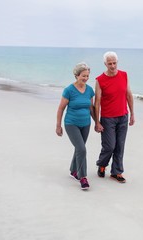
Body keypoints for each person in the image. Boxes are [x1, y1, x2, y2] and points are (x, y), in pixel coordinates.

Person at [94, 51, 135, 183]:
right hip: (107, 118)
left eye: (114, 63)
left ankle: (116, 172)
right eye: (109, 63)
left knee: (120, 146)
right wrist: (97, 122)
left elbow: (128, 94)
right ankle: (102, 164)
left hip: (123, 116)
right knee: (110, 146)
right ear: (105, 64)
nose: (112, 66)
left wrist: (132, 113)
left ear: (117, 62)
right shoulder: (100, 80)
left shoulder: (124, 75)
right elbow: (97, 102)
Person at [56, 62, 95, 190]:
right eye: (83, 76)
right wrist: (58, 125)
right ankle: (82, 177)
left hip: (86, 124)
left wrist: (97, 122)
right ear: (77, 75)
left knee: (80, 148)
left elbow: (91, 108)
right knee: (82, 149)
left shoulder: (89, 90)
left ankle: (73, 170)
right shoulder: (69, 90)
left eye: (87, 76)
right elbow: (61, 108)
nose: (85, 78)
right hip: (71, 123)